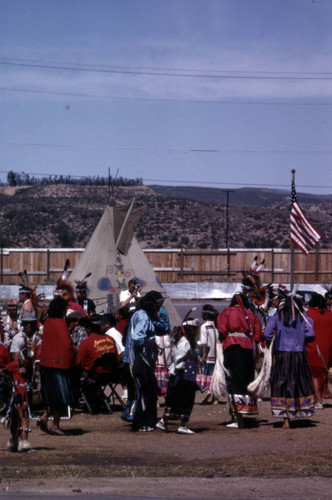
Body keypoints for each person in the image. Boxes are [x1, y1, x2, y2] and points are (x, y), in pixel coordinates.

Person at [264, 295, 315, 429]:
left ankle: (285, 417)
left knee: (282, 384)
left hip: (282, 354)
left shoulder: (277, 317)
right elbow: (311, 334)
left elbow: (267, 333)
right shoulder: (302, 317)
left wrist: (274, 342)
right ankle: (296, 411)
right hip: (299, 355)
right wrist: (301, 339)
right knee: (297, 383)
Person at [217, 292, 263, 428]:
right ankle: (245, 411)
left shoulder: (226, 312)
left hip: (232, 347)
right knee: (246, 379)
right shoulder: (251, 314)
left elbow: (222, 329)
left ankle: (238, 418)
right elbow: (258, 334)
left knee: (233, 380)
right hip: (249, 349)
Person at [38, 297, 79, 436]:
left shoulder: (48, 322)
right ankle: (54, 424)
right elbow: (67, 345)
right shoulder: (61, 323)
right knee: (60, 397)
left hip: (46, 365)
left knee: (51, 395)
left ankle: (44, 417)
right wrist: (75, 354)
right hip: (59, 366)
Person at [123, 292, 161, 431]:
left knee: (138, 391)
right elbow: (138, 337)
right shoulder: (143, 316)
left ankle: (140, 420)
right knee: (145, 391)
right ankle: (144, 421)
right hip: (139, 359)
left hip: (133, 358)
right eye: (157, 304)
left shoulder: (138, 314)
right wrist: (149, 346)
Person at [157, 319, 200, 434]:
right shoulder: (185, 342)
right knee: (185, 399)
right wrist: (181, 367)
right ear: (191, 330)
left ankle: (163, 422)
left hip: (181, 374)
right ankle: (182, 426)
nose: (197, 331)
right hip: (182, 375)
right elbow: (178, 358)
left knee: (174, 399)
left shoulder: (182, 340)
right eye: (196, 329)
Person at [79, 314, 119, 413]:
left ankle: (93, 401)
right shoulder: (111, 340)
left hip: (93, 377)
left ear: (88, 328)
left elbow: (81, 364)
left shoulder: (86, 343)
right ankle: (100, 399)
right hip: (110, 376)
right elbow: (116, 359)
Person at [306, 293, 332, 409]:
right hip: (326, 350)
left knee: (314, 375)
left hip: (311, 348)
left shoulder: (308, 315)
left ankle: (318, 399)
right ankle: (319, 397)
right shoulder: (330, 315)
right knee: (321, 374)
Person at [197, 304, 219, 404]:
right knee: (215, 376)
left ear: (205, 314)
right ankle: (215, 398)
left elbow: (203, 342)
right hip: (217, 356)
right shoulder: (217, 326)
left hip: (207, 356)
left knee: (206, 375)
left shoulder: (204, 327)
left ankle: (207, 390)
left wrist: (196, 343)